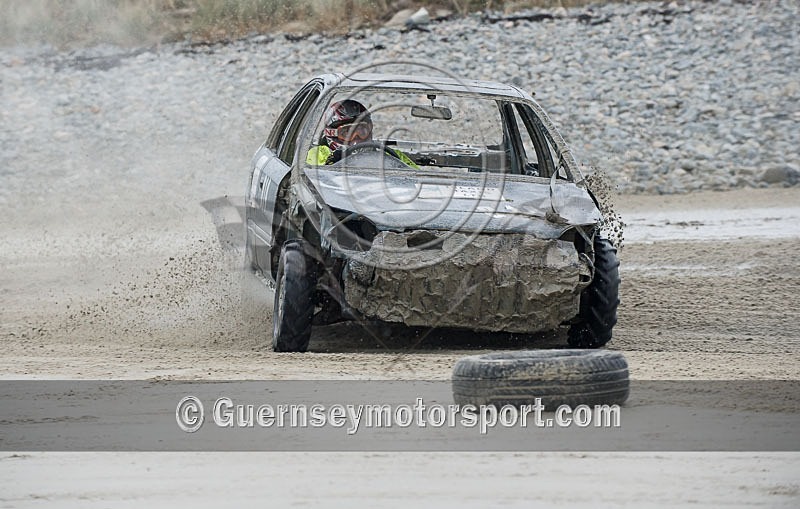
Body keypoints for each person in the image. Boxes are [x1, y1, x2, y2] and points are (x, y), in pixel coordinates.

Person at [306, 99, 418, 168]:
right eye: (347, 132)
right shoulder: (317, 154)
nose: (357, 137)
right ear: (332, 134)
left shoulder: (389, 154)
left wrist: (393, 165)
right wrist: (332, 164)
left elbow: (418, 178)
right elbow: (311, 181)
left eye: (362, 130)